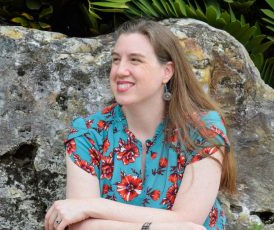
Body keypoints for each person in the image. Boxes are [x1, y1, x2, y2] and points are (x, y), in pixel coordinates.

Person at [44, 19, 236, 230]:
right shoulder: (89, 134)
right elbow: (81, 227)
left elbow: (190, 220)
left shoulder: (202, 129)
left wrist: (93, 206)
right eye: (116, 60)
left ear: (167, 72)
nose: (120, 70)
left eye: (135, 60)